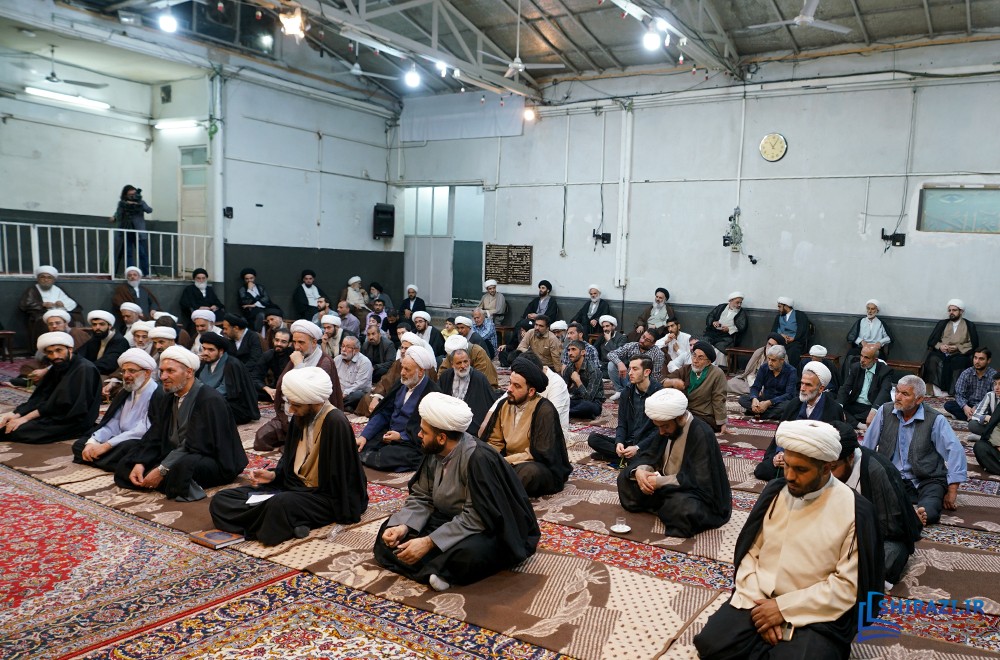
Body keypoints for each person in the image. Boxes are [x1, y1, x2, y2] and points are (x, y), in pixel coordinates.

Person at [693, 420, 883, 660]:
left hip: (815, 610)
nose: (790, 476)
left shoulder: (855, 510)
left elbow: (847, 586)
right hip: (759, 597)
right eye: (787, 466)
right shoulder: (776, 491)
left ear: (826, 468)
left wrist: (782, 609)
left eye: (801, 470)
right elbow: (751, 552)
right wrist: (762, 607)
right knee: (710, 645)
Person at [373, 393, 539, 591]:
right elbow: (422, 496)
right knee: (388, 532)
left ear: (441, 438)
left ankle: (440, 568)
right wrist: (404, 527)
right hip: (446, 518)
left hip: (482, 525)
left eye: (424, 432)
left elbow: (477, 516)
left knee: (468, 553)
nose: (419, 435)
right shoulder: (433, 450)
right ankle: (436, 570)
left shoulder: (478, 459)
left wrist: (429, 542)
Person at [210, 367, 369, 546]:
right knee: (221, 499)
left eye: (296, 405)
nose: (291, 409)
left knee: (279, 504)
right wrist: (274, 475)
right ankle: (293, 522)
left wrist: (299, 495)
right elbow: (289, 459)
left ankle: (288, 519)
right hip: (292, 488)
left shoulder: (335, 422)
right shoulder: (300, 417)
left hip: (323, 496)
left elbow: (343, 480)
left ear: (313, 402)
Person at [114, 346, 248, 501]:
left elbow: (197, 444)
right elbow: (155, 433)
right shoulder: (169, 397)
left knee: (183, 467)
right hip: (177, 452)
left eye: (170, 371)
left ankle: (165, 478)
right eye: (162, 371)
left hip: (209, 457)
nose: (163, 377)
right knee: (128, 460)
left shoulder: (209, 400)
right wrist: (141, 462)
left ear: (189, 372)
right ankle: (161, 478)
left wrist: (162, 469)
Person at [618, 388, 732, 537]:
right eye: (658, 426)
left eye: (665, 426)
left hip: (690, 490)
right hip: (663, 483)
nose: (661, 432)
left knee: (683, 508)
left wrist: (658, 482)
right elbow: (651, 455)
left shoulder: (701, 433)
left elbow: (698, 479)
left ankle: (663, 506)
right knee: (625, 478)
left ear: (679, 418)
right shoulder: (666, 427)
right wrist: (641, 471)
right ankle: (663, 507)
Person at [863, 375, 967, 525]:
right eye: (897, 391)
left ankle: (919, 517)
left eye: (905, 394)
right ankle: (902, 516)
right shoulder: (885, 411)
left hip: (928, 478)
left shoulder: (935, 419)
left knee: (931, 506)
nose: (898, 397)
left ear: (919, 399)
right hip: (892, 476)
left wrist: (952, 489)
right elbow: (867, 447)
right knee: (871, 498)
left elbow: (955, 451)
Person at [831, 421, 922, 586]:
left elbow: (891, 528)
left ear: (850, 458)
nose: (826, 474)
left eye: (832, 468)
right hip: (833, 530)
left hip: (872, 536)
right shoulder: (818, 466)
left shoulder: (877, 471)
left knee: (886, 558)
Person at [482, 357, 572, 497]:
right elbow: (495, 441)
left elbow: (538, 454)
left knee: (529, 473)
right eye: (510, 383)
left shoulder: (544, 410)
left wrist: (502, 462)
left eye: (516, 386)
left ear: (531, 391)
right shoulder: (505, 404)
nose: (509, 389)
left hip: (537, 464)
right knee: (476, 457)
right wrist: (488, 458)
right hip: (508, 462)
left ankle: (494, 493)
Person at [255, 320, 344, 451]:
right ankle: (291, 437)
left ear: (314, 342)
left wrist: (298, 365)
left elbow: (311, 393)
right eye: (294, 342)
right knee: (261, 439)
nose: (296, 346)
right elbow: (283, 383)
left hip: (310, 418)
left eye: (301, 342)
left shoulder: (324, 361)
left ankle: (295, 441)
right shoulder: (298, 356)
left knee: (293, 450)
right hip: (289, 413)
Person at [0, 332, 101, 444]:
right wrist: (17, 414)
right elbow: (41, 396)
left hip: (72, 420)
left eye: (59, 350)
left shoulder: (84, 369)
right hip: (54, 412)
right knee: (7, 423)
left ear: (70, 349)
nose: (55, 356)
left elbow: (63, 404)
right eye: (50, 352)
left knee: (17, 430)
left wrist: (25, 418)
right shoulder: (58, 366)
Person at [755, 361, 847, 481]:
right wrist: (778, 455)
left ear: (821, 388)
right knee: (762, 470)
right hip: (789, 454)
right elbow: (781, 434)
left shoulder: (833, 409)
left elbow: (832, 445)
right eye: (802, 383)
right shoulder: (794, 404)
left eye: (808, 385)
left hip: (814, 460)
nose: (802, 389)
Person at [72, 348, 158, 471]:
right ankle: (116, 464)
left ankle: (108, 461)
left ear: (147, 373)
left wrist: (107, 446)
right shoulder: (127, 390)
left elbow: (143, 430)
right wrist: (93, 442)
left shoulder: (156, 394)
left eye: (132, 371)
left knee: (129, 448)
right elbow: (113, 422)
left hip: (136, 440)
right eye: (124, 371)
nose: (126, 375)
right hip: (118, 438)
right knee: (80, 445)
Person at [357, 345, 440, 472]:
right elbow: (384, 413)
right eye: (402, 367)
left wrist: (401, 436)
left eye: (407, 369)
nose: (402, 373)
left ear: (420, 372)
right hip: (389, 433)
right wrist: (364, 436)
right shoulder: (401, 384)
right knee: (362, 445)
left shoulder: (432, 393)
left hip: (411, 442)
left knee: (390, 456)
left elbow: (428, 430)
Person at [588, 357, 662, 464]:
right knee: (593, 438)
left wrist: (637, 447)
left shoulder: (659, 394)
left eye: (635, 369)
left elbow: (658, 430)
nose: (630, 373)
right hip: (629, 441)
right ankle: (624, 457)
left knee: (656, 450)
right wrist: (619, 442)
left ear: (646, 372)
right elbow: (622, 423)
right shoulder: (626, 392)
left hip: (646, 444)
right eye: (629, 369)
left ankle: (614, 457)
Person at [661, 341, 728, 433]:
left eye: (700, 358)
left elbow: (719, 399)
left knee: (687, 427)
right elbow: (663, 381)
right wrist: (672, 382)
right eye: (694, 356)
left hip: (704, 415)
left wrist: (722, 422)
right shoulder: (686, 369)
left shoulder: (717, 373)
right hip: (683, 411)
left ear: (708, 362)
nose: (695, 360)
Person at [11, 309, 90, 387]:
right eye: (50, 324)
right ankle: (35, 380)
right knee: (28, 366)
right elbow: (39, 356)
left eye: (58, 323)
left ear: (66, 323)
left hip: (70, 365)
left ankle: (37, 381)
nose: (54, 326)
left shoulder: (77, 334)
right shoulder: (51, 335)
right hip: (52, 363)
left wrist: (46, 370)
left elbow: (76, 357)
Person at [197, 333, 260, 424]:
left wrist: (200, 398)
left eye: (211, 350)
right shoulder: (204, 362)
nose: (205, 353)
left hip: (234, 406)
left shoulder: (232, 365)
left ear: (221, 351)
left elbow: (224, 392)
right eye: (204, 348)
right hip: (208, 400)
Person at [923, 299, 979, 397]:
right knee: (932, 358)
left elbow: (973, 344)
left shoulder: (969, 325)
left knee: (960, 362)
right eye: (949, 310)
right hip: (943, 353)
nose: (951, 312)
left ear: (961, 311)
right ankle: (935, 390)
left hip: (959, 353)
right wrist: (940, 346)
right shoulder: (942, 323)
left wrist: (958, 347)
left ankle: (954, 391)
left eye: (954, 310)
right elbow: (932, 340)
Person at [18, 266, 82, 350]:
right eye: (43, 277)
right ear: (38, 279)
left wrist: (62, 304)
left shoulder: (57, 289)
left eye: (49, 278)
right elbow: (25, 304)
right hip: (42, 315)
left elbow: (72, 304)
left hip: (60, 314)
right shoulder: (33, 290)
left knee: (74, 319)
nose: (46, 280)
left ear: (53, 280)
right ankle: (45, 348)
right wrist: (42, 304)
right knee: (43, 323)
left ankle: (70, 346)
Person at [439, 348, 498, 434]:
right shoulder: (446, 376)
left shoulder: (479, 378)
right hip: (449, 420)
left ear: (469, 361)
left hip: (471, 424)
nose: (463, 366)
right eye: (459, 363)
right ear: (452, 364)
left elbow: (487, 404)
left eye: (465, 362)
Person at [837, 344, 895, 429]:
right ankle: (860, 425)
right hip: (855, 404)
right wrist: (839, 406)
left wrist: (874, 410)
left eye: (866, 358)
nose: (862, 360)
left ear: (875, 360)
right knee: (834, 407)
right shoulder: (856, 367)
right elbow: (846, 387)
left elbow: (885, 392)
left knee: (881, 414)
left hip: (871, 406)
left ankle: (852, 422)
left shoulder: (885, 371)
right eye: (861, 356)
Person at [737, 344, 797, 419]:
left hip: (779, 402)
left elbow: (789, 395)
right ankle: (769, 414)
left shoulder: (791, 371)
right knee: (742, 399)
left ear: (782, 360)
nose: (770, 363)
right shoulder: (764, 368)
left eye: (773, 360)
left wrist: (769, 402)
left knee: (788, 405)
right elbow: (756, 387)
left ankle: (759, 413)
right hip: (764, 400)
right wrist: (754, 398)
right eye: (769, 359)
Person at [606, 330, 665, 402]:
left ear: (653, 343)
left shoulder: (658, 354)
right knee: (611, 364)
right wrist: (620, 363)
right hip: (628, 378)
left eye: (647, 340)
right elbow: (611, 354)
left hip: (642, 382)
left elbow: (655, 377)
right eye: (643, 337)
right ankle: (620, 391)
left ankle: (634, 394)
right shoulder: (632, 345)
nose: (642, 340)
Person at [842, 299, 892, 380]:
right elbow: (851, 336)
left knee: (879, 359)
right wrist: (861, 341)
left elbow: (888, 337)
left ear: (877, 310)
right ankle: (850, 380)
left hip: (875, 350)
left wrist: (879, 343)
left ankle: (874, 381)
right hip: (861, 348)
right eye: (868, 308)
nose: (870, 311)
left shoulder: (881, 323)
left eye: (872, 309)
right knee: (851, 355)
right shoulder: (860, 322)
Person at [945, 347, 996, 422]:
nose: (977, 361)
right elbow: (959, 394)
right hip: (969, 405)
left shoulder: (993, 375)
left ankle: (970, 417)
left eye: (981, 359)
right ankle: (975, 418)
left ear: (988, 360)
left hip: (985, 406)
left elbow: (994, 397)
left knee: (994, 411)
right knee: (948, 405)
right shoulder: (966, 373)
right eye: (975, 358)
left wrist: (977, 407)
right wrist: (965, 407)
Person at [110, 184, 151, 275]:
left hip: (138, 232)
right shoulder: (122, 203)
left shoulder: (141, 202)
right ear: (125, 195)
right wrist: (115, 216)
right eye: (130, 195)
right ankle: (130, 273)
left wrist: (138, 204)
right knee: (128, 253)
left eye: (134, 194)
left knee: (142, 253)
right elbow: (119, 214)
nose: (133, 196)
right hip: (126, 231)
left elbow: (149, 210)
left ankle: (146, 273)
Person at [78, 310, 130, 376]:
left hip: (110, 376)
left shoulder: (120, 341)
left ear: (110, 326)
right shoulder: (96, 338)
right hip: (93, 372)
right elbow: (79, 354)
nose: (97, 327)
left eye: (101, 324)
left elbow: (108, 363)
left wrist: (85, 368)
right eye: (94, 324)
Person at [563, 339, 605, 420]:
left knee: (587, 407)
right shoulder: (569, 368)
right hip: (575, 399)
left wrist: (578, 381)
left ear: (583, 352)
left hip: (593, 402)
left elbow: (589, 398)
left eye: (573, 349)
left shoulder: (594, 371)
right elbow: (563, 389)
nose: (570, 353)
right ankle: (570, 412)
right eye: (569, 350)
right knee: (555, 402)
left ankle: (566, 412)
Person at [221, 313, 264, 388]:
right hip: (232, 376)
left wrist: (239, 373)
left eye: (226, 328)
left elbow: (255, 359)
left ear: (236, 328)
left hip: (250, 377)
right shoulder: (229, 339)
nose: (224, 331)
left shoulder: (253, 337)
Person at [179, 268, 224, 333]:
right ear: (194, 279)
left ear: (206, 279)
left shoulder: (209, 289)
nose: (201, 280)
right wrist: (198, 308)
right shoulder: (189, 289)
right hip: (197, 315)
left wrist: (215, 306)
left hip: (211, 314)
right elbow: (184, 304)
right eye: (198, 278)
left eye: (203, 278)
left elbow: (218, 302)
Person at [335, 335, 373, 411]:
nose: (343, 349)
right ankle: (344, 407)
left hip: (354, 393)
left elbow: (359, 384)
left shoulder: (365, 362)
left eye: (348, 347)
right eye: (342, 346)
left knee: (358, 395)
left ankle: (336, 406)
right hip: (340, 393)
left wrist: (344, 393)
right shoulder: (337, 359)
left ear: (356, 350)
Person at [771, 296, 810, 367]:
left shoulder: (800, 315)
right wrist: (781, 335)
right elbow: (774, 330)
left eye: (780, 307)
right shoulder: (778, 317)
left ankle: (790, 371)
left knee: (793, 351)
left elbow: (803, 330)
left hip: (796, 342)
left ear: (786, 306)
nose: (778, 309)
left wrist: (794, 338)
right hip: (780, 341)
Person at [972, 376, 1000, 473]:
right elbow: (995, 427)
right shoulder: (991, 396)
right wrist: (987, 418)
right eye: (995, 384)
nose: (997, 387)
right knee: (980, 447)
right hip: (996, 439)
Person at [237, 267, 272, 332]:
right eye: (247, 279)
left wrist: (255, 304)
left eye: (251, 278)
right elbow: (246, 302)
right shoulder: (242, 289)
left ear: (254, 278)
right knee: (260, 315)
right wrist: (249, 290)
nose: (249, 280)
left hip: (264, 307)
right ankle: (257, 333)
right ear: (244, 279)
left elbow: (266, 299)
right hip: (250, 311)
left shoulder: (260, 287)